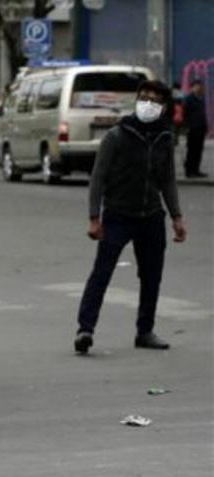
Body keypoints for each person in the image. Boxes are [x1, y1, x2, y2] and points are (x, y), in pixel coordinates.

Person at [75, 80, 186, 355]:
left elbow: (168, 179)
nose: (149, 103)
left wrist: (176, 216)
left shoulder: (164, 138)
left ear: (162, 106)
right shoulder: (117, 135)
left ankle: (145, 331)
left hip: (151, 215)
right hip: (118, 215)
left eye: (155, 100)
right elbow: (98, 178)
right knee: (102, 272)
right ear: (137, 100)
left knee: (151, 276)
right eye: (145, 97)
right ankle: (85, 329)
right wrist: (94, 217)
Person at [181, 80, 207, 178]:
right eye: (197, 86)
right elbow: (184, 114)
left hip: (201, 128)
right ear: (192, 87)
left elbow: (202, 114)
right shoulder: (189, 99)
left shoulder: (201, 98)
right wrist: (187, 127)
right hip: (192, 129)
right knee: (191, 151)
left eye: (201, 86)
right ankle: (189, 171)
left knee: (198, 151)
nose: (199, 88)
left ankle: (196, 170)